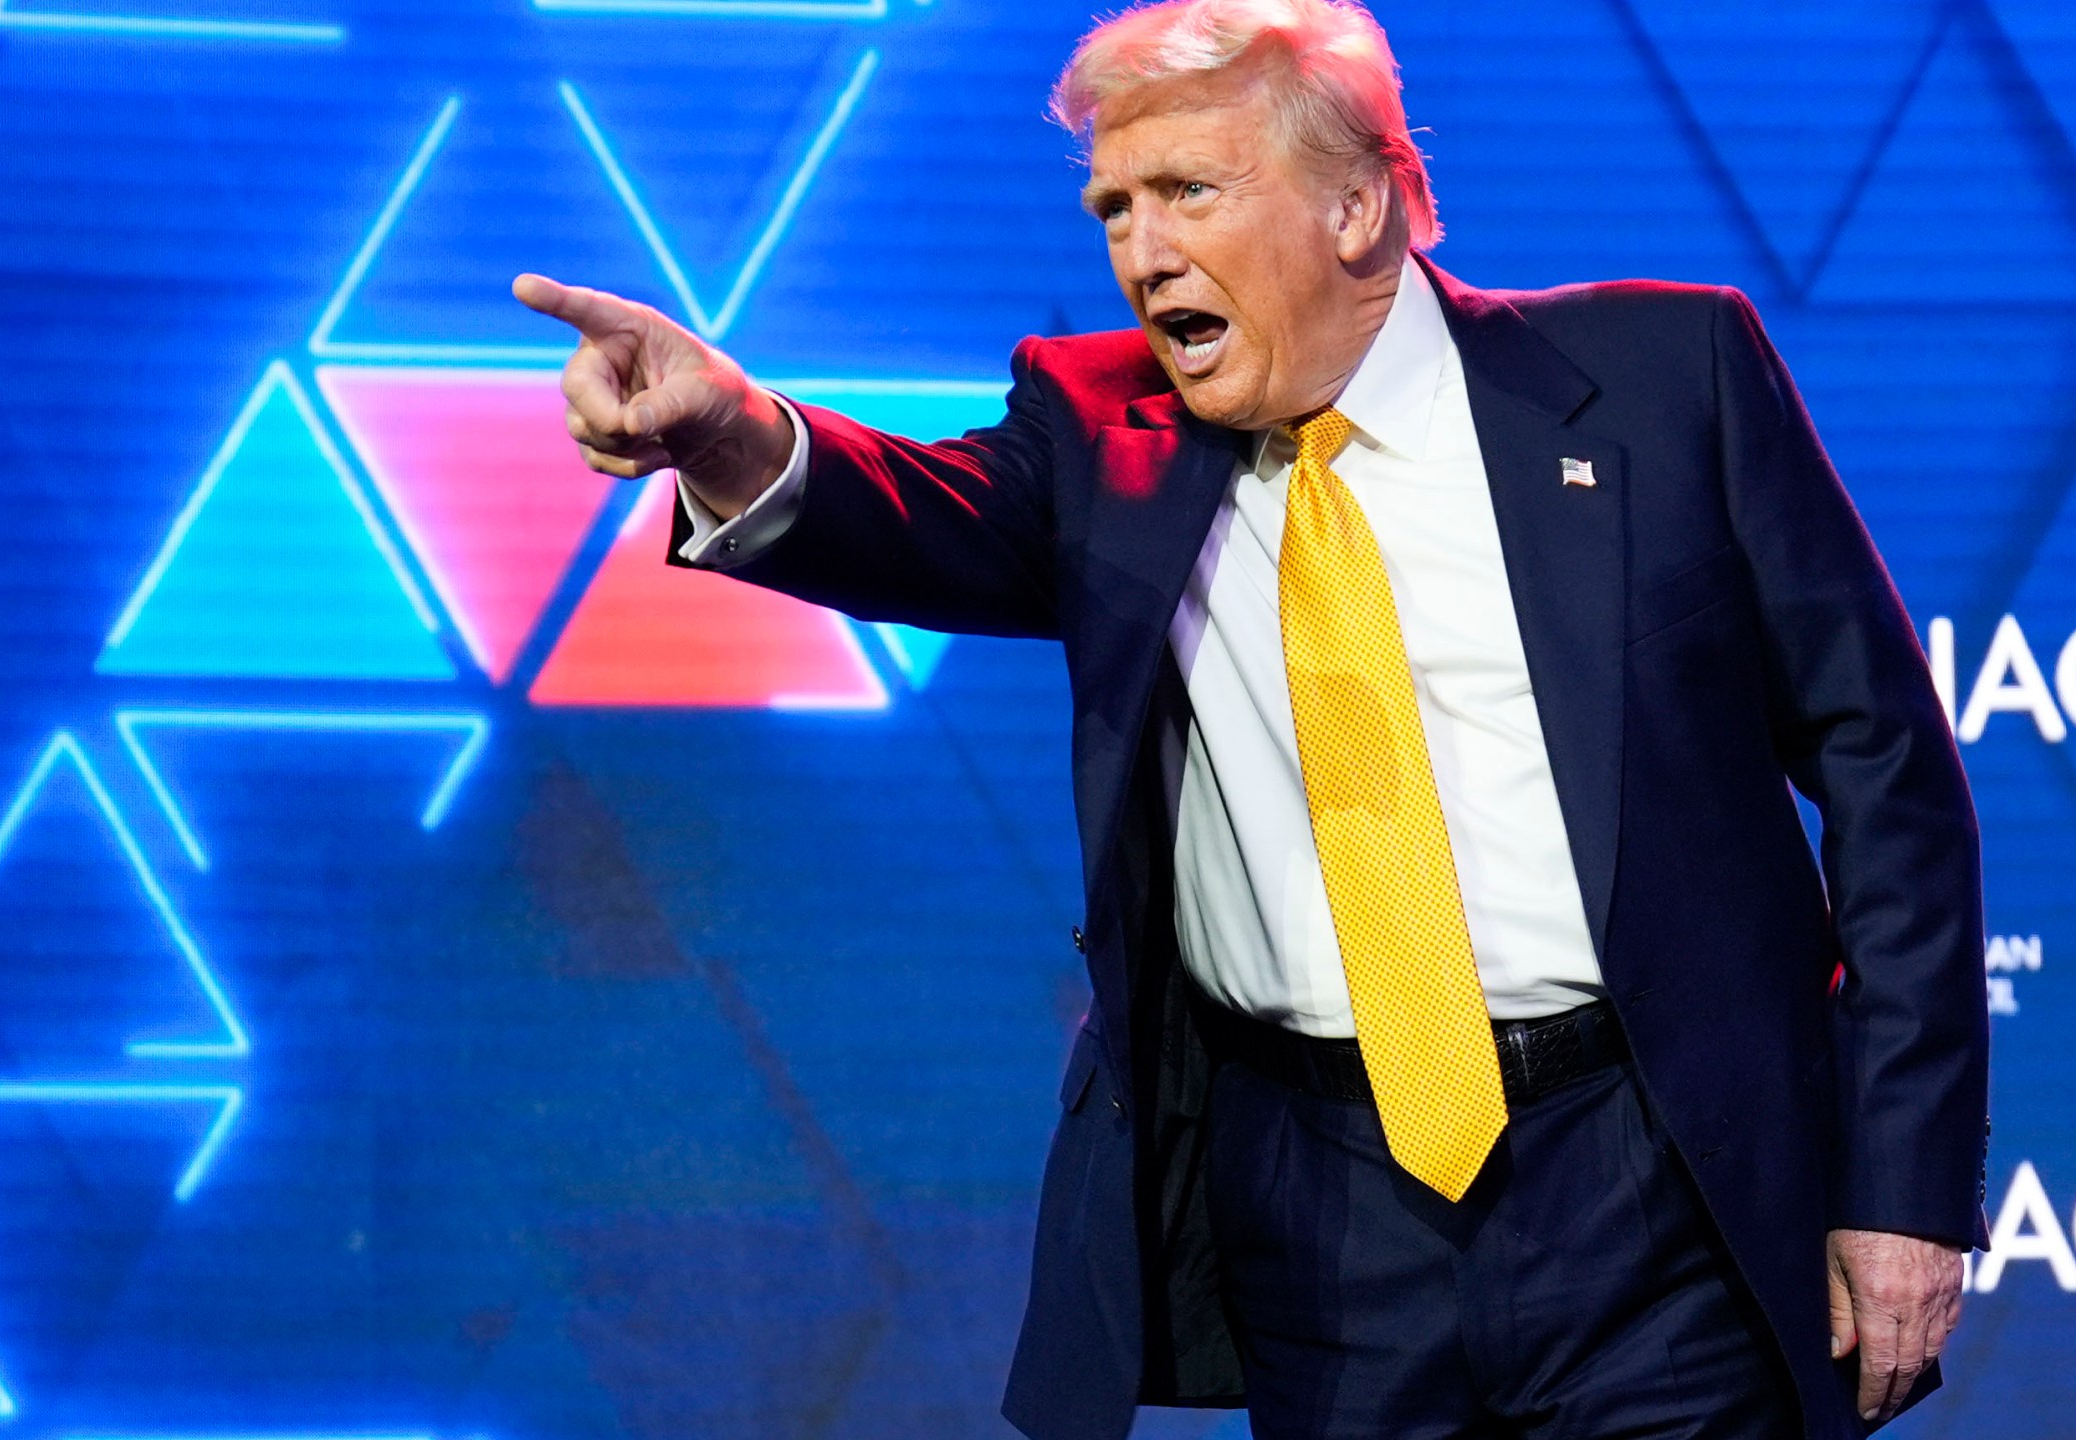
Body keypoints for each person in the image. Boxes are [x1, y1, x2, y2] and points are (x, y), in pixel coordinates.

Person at [512, 1, 1988, 1435]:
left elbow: (1890, 782)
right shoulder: (1103, 432)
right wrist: (724, 427)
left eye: (1188, 194)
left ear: (1355, 210)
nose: (1143, 255)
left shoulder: (1668, 384)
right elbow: (902, 513)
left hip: (1651, 1169)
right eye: (1114, 209)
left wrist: (1905, 1187)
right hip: (1324, 1206)